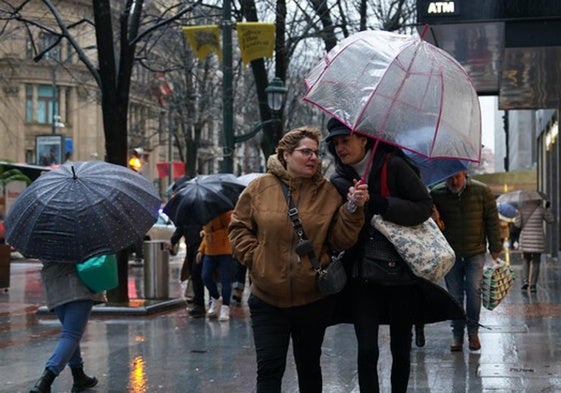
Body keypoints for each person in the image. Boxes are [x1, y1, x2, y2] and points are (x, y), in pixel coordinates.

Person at [326, 118, 463, 393]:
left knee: (401, 347)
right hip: (361, 275)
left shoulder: (394, 165)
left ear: (363, 139)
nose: (341, 148)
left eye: (346, 140)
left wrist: (378, 203)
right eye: (335, 143)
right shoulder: (339, 179)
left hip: (401, 273)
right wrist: (352, 208)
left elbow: (423, 207)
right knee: (366, 349)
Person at [228, 126, 368, 392]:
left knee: (309, 369)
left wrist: (352, 209)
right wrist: (256, 258)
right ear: (285, 155)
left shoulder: (328, 193)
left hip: (312, 299)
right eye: (305, 152)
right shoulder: (260, 187)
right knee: (269, 369)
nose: (313, 158)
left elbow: (340, 240)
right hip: (267, 299)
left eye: (315, 153)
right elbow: (237, 228)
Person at [430, 170, 502, 352]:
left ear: (465, 174)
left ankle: (473, 332)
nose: (453, 181)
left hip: (475, 252)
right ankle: (457, 335)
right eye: (449, 177)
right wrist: (434, 216)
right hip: (450, 254)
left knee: (474, 291)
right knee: (454, 296)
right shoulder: (436, 194)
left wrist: (495, 247)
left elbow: (492, 221)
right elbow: (431, 226)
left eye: (457, 177)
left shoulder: (482, 191)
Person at [30, 261, 105, 393]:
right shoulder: (79, 239)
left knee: (70, 333)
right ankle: (46, 380)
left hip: (54, 286)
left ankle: (78, 374)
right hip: (78, 284)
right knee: (71, 335)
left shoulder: (45, 240)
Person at [198, 210, 235, 322]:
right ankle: (216, 298)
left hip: (225, 250)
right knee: (205, 276)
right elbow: (206, 235)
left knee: (225, 280)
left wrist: (212, 232)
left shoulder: (225, 211)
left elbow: (230, 227)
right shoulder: (205, 213)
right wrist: (201, 250)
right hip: (210, 250)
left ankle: (225, 307)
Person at [514, 199, 554, 293]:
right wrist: (548, 209)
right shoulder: (541, 209)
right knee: (536, 261)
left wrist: (518, 214)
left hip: (525, 239)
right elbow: (551, 220)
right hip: (537, 239)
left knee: (525, 259)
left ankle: (525, 280)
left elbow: (517, 224)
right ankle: (533, 285)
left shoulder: (522, 209)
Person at [171, 223, 205, 317]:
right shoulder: (185, 210)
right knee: (195, 274)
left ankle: (201, 303)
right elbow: (181, 226)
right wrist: (173, 241)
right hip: (191, 244)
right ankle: (199, 302)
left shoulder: (202, 210)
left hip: (201, 244)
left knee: (198, 273)